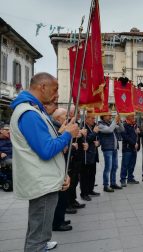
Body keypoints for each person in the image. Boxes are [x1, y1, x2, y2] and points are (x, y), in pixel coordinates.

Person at [10, 72, 79, 251]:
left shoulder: (33, 110)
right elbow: (46, 150)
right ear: (42, 87)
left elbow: (44, 145)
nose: (57, 95)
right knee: (38, 239)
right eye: (55, 89)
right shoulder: (29, 113)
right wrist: (67, 135)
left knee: (39, 231)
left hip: (44, 180)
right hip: (42, 184)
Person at [98, 113, 124, 192]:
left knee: (115, 167)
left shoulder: (110, 124)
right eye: (108, 115)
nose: (110, 116)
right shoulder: (100, 125)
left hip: (114, 149)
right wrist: (115, 121)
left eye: (110, 115)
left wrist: (119, 121)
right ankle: (106, 185)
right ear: (103, 116)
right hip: (107, 149)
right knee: (108, 168)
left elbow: (121, 129)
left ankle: (113, 183)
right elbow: (109, 130)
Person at [80, 112, 101, 200]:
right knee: (85, 175)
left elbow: (98, 138)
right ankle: (84, 193)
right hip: (86, 155)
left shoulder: (94, 126)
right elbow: (86, 139)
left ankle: (90, 190)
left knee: (92, 174)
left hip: (93, 154)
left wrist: (98, 143)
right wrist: (95, 133)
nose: (94, 120)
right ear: (86, 119)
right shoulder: (83, 127)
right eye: (92, 118)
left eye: (94, 118)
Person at [120, 114, 140, 186]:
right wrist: (134, 143)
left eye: (134, 117)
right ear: (128, 118)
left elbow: (137, 136)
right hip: (127, 148)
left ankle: (130, 178)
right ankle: (122, 179)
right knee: (125, 165)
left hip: (134, 149)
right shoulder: (124, 126)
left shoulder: (135, 126)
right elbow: (125, 137)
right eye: (132, 117)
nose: (134, 119)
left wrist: (138, 132)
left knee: (132, 164)